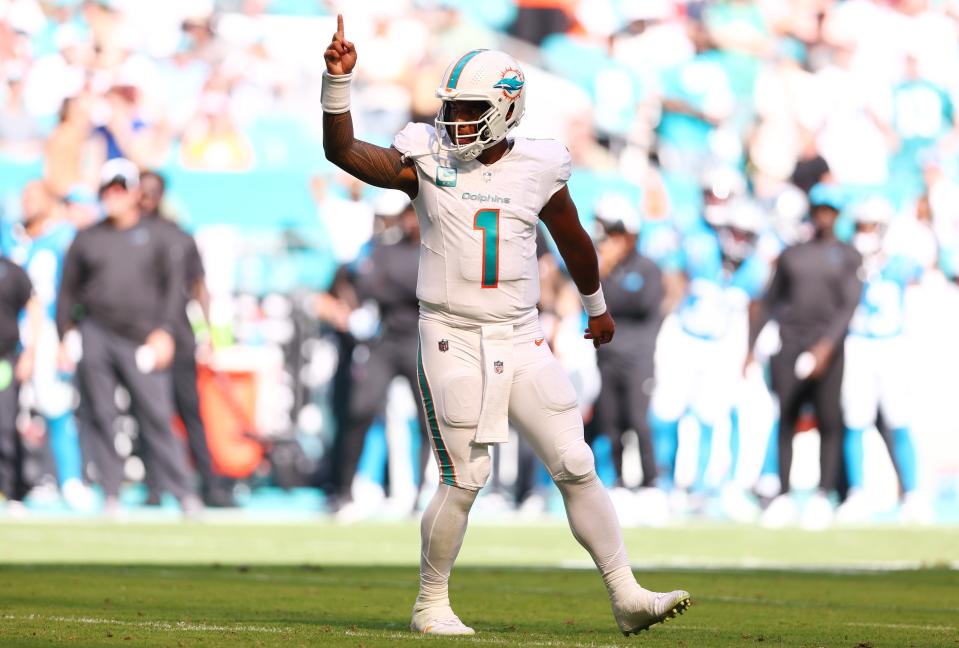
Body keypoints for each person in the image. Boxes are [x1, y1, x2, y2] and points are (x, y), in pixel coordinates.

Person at [321, 15, 689, 637]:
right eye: (452, 107)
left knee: (574, 461)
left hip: (519, 335)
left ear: (507, 108)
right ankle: (430, 602)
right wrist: (339, 85)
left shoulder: (540, 165)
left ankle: (625, 593)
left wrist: (596, 307)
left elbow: (571, 238)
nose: (455, 121)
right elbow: (344, 152)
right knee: (466, 477)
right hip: (451, 334)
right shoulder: (426, 159)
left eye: (470, 108)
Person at [56, 158, 203, 517]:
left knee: (156, 414)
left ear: (135, 192)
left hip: (142, 338)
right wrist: (65, 335)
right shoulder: (87, 238)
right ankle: (110, 492)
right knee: (101, 414)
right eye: (108, 189)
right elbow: (67, 293)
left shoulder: (156, 236)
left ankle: (183, 492)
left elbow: (172, 291)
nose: (114, 196)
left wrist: (164, 332)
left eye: (121, 188)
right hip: (97, 332)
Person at [746, 183, 863, 529]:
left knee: (829, 420)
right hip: (791, 344)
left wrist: (826, 346)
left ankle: (823, 494)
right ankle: (782, 494)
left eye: (830, 209)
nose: (824, 215)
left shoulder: (848, 254)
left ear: (838, 214)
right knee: (787, 418)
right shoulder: (793, 253)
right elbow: (769, 300)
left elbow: (848, 305)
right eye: (820, 208)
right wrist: (750, 347)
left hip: (827, 347)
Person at [322, 194, 431, 518]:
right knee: (360, 409)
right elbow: (349, 284)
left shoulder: (433, 251)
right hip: (385, 340)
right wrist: (351, 311)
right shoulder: (379, 250)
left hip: (419, 338)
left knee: (430, 420)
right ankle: (343, 490)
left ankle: (422, 494)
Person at [139, 170, 235, 508]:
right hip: (142, 334)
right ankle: (154, 486)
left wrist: (206, 332)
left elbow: (199, 287)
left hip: (178, 334)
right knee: (147, 410)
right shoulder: (131, 235)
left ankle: (208, 485)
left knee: (189, 411)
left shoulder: (178, 237)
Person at [0, 180, 95, 511]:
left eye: (34, 197)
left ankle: (69, 479)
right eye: (24, 197)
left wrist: (66, 335)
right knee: (11, 412)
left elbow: (72, 289)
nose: (27, 204)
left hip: (49, 330)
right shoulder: (12, 237)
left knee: (55, 404)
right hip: (12, 333)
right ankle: (22, 483)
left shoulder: (63, 237)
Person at [839, 197, 928, 523]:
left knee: (899, 419)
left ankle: (913, 492)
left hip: (890, 345)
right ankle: (857, 491)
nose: (866, 232)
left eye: (871, 226)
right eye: (861, 225)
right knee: (856, 420)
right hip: (859, 344)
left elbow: (926, 265)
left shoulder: (899, 262)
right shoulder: (848, 260)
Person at [590, 195, 664, 502]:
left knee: (637, 419)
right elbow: (591, 300)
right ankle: (620, 480)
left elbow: (642, 303)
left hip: (638, 356)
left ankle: (650, 484)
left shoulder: (647, 268)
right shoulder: (601, 269)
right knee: (612, 420)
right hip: (608, 355)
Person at [0, 255, 38, 513]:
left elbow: (34, 307)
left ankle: (10, 489)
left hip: (4, 359)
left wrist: (30, 353)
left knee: (4, 427)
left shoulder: (11, 270)